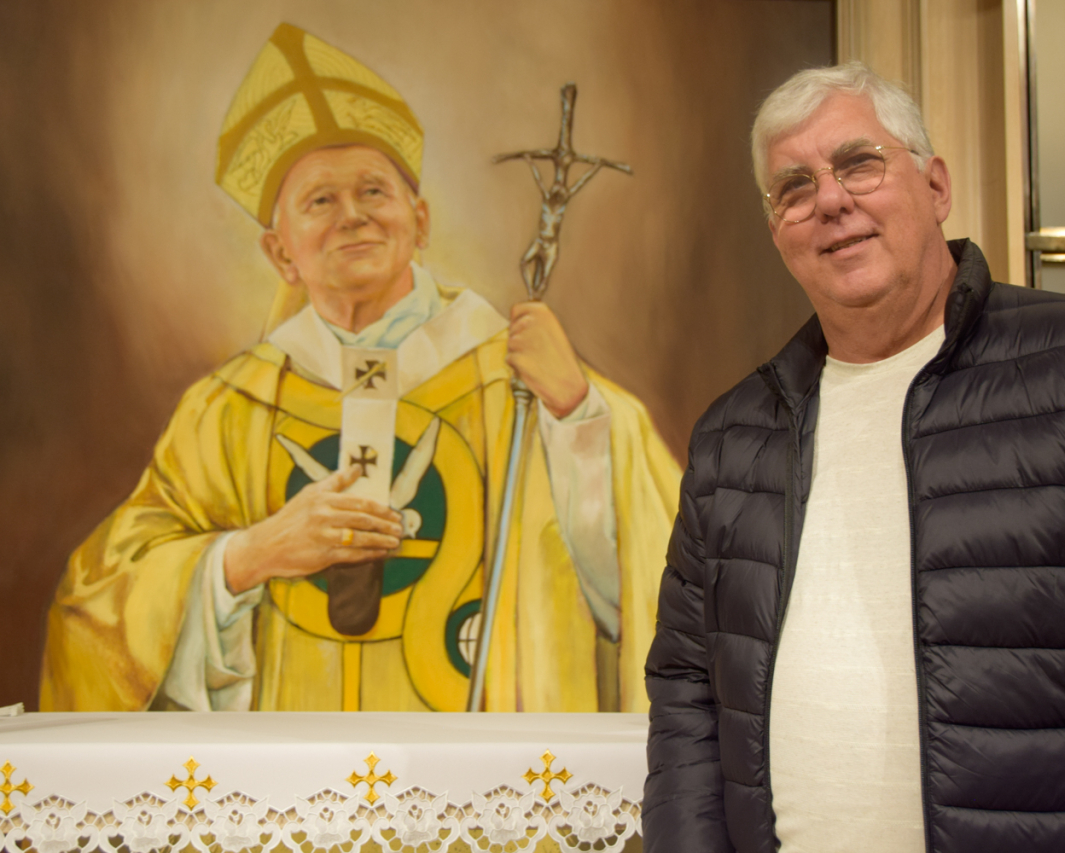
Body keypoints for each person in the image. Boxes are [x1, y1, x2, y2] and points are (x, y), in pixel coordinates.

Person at [643, 61, 1065, 853]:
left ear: (936, 186)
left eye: (858, 163)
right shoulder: (732, 437)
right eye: (794, 187)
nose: (830, 201)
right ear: (778, 230)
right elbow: (688, 690)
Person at [41, 23, 680, 713]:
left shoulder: (521, 382)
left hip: (474, 760)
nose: (352, 216)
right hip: (286, 766)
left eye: (374, 191)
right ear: (280, 253)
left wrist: (577, 413)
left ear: (420, 220)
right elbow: (96, 610)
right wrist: (250, 554)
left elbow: (654, 573)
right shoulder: (226, 411)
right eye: (320, 200)